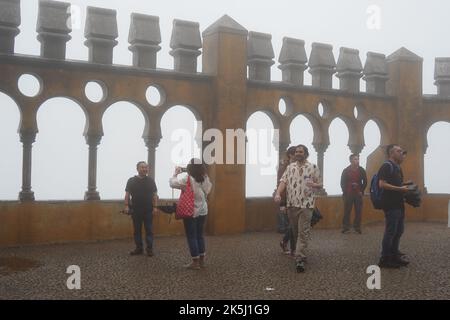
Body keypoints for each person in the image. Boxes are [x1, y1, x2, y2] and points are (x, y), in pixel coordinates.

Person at [274, 145, 322, 273]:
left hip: (307, 205)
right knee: (295, 231)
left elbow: (320, 184)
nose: (298, 153)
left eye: (301, 151)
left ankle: (300, 258)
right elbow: (283, 181)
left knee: (303, 231)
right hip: (292, 205)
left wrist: (315, 185)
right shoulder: (290, 167)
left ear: (306, 154)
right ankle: (299, 253)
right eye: (296, 152)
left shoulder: (313, 167)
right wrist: (278, 193)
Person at [170, 158, 212, 270]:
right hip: (203, 210)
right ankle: (202, 261)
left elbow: (172, 184)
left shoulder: (187, 178)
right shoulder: (205, 177)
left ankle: (195, 262)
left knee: (191, 236)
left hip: (191, 211)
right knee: (199, 235)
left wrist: (175, 174)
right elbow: (208, 191)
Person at [377, 144, 410, 268]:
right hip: (391, 204)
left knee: (399, 231)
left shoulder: (397, 167)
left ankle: (394, 255)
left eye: (402, 151)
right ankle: (385, 259)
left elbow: (397, 183)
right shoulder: (386, 166)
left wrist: (405, 185)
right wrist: (400, 188)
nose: (402, 153)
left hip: (399, 204)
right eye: (399, 151)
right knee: (391, 231)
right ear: (391, 153)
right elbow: (382, 184)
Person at [124, 161, 158, 256]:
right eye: (142, 167)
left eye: (146, 167)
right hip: (135, 209)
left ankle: (149, 249)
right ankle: (139, 248)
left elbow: (154, 195)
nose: (144, 169)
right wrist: (126, 205)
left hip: (148, 209)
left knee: (149, 230)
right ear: (137, 169)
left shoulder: (151, 181)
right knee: (137, 230)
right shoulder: (131, 180)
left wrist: (155, 207)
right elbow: (127, 194)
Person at [340, 154, 367, 234]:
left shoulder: (361, 170)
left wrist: (361, 190)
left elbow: (365, 181)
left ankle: (357, 227)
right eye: (355, 159)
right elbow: (342, 182)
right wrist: (345, 191)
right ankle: (346, 227)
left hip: (358, 193)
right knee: (347, 211)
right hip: (348, 193)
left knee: (358, 211)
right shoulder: (346, 170)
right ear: (351, 160)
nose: (357, 161)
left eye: (358, 159)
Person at [277, 146, 297, 255]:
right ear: (290, 155)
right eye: (295, 153)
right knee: (293, 225)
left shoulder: (297, 166)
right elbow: (281, 185)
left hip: (298, 200)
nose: (298, 156)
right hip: (289, 200)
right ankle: (293, 249)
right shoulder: (284, 167)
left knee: (295, 224)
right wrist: (282, 203)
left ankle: (285, 242)